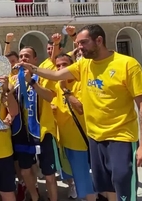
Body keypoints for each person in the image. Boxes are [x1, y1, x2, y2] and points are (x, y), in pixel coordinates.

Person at [18, 24, 142, 201]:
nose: (79, 47)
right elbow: (57, 76)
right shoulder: (84, 64)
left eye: (83, 42)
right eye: (78, 43)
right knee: (105, 186)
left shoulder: (127, 64)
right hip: (94, 139)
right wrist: (31, 68)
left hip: (121, 138)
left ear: (99, 40)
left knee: (123, 187)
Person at [11, 47, 58, 201]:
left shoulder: (42, 77)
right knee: (25, 171)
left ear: (35, 60)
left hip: (42, 131)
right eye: (21, 56)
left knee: (49, 175)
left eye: (27, 56)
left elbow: (50, 97)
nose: (23, 59)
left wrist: (31, 82)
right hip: (22, 132)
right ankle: (35, 197)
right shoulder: (13, 79)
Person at [51, 53, 96, 201]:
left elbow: (80, 108)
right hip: (65, 140)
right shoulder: (58, 85)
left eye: (64, 65)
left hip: (80, 142)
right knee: (75, 177)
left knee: (84, 179)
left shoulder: (80, 82)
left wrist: (66, 90)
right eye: (58, 66)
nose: (61, 68)